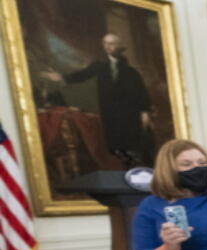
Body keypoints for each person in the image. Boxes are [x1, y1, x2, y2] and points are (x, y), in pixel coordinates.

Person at [42, 33, 153, 165]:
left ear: (120, 46)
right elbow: (82, 75)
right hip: (110, 111)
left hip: (130, 113)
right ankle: (123, 166)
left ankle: (134, 166)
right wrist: (61, 78)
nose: (108, 46)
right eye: (105, 43)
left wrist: (145, 111)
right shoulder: (99, 66)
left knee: (133, 143)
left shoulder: (131, 72)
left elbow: (141, 92)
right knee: (114, 144)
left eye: (111, 43)